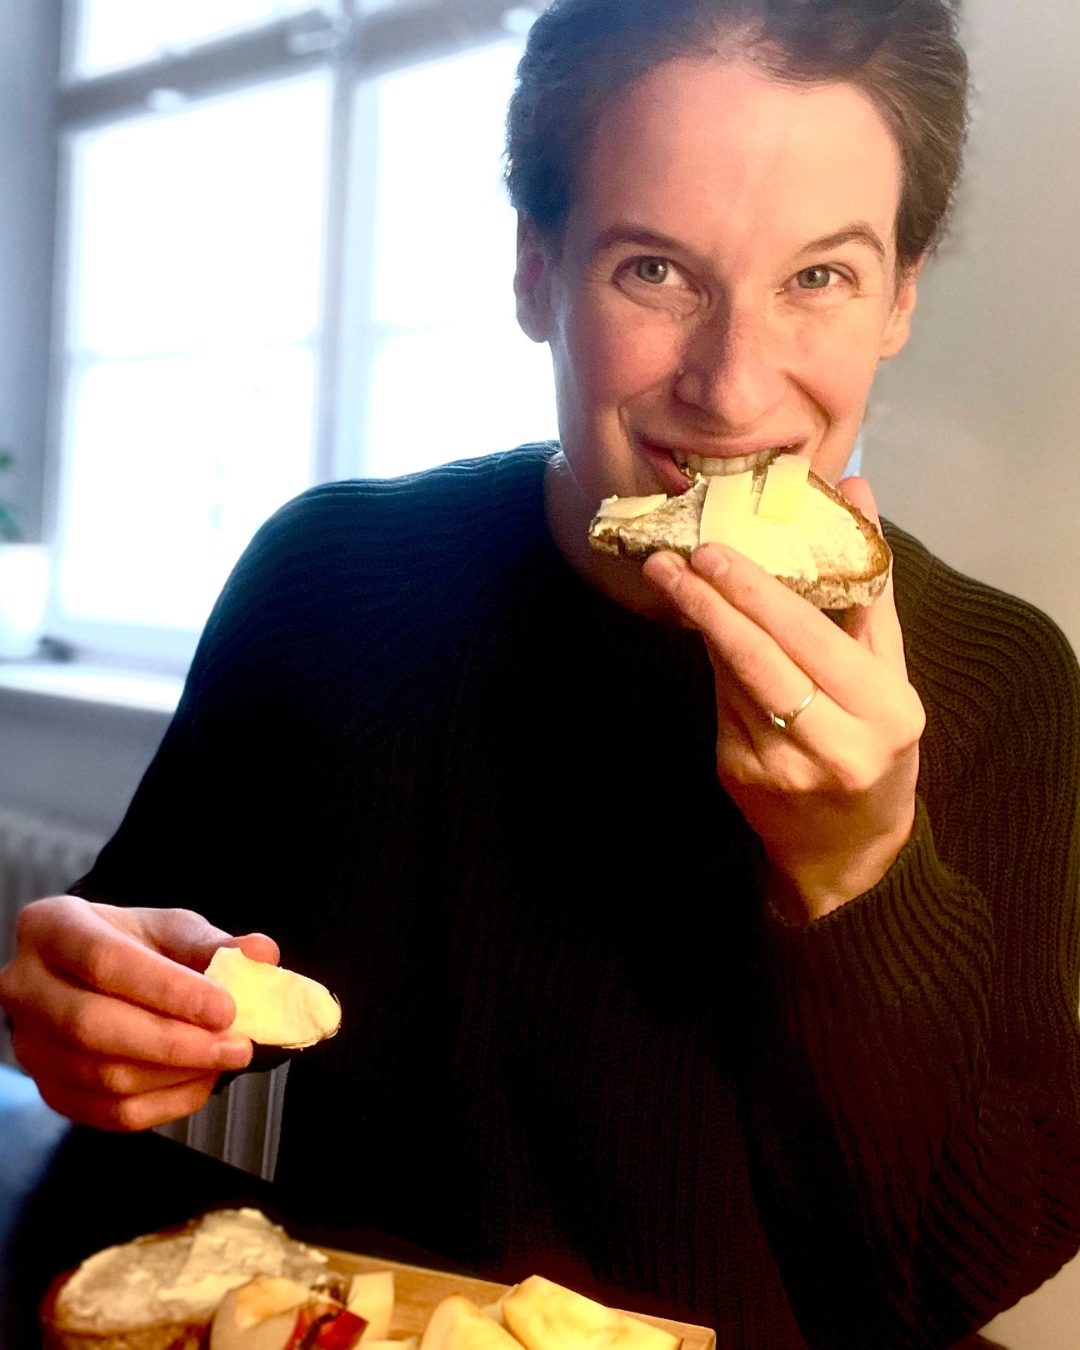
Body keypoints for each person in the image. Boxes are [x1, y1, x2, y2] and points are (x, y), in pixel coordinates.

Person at [3, 0, 1080, 1345]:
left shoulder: (1008, 679)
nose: (737, 390)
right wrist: (90, 1006)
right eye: (654, 270)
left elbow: (964, 1273)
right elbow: (159, 979)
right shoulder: (328, 578)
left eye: (820, 277)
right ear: (535, 271)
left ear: (901, 297)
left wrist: (858, 879)